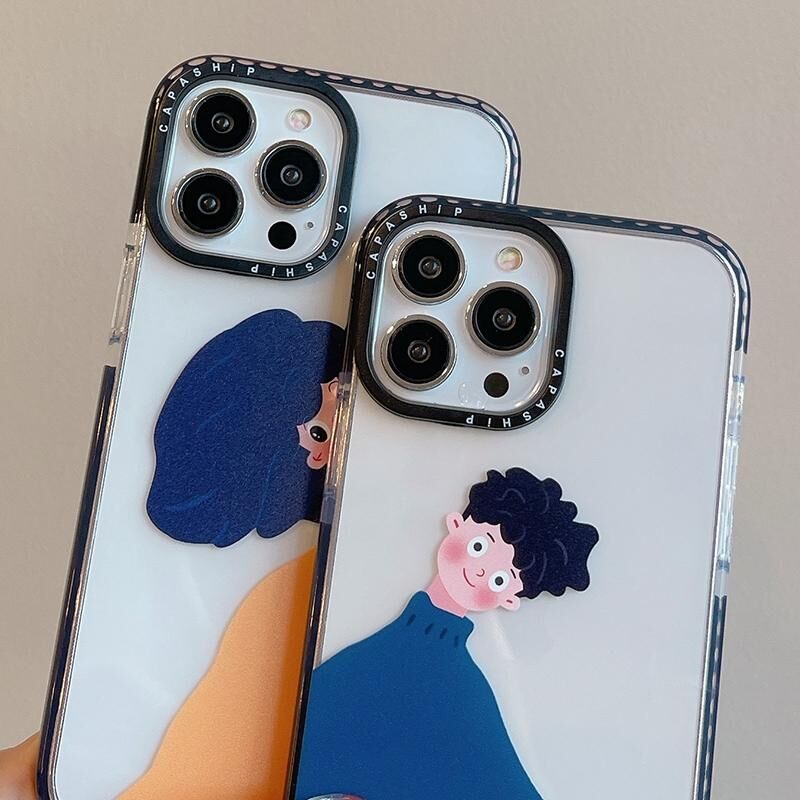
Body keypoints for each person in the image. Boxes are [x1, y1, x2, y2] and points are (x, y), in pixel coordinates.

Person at [295, 467, 600, 800]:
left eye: (499, 578)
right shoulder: (384, 664)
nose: (480, 570)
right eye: (480, 547)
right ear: (458, 525)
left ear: (509, 597)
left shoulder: (462, 691)